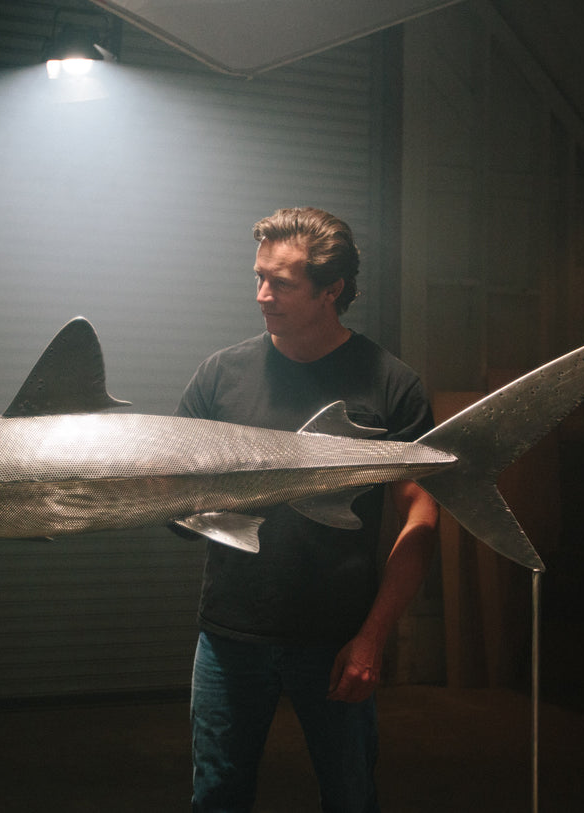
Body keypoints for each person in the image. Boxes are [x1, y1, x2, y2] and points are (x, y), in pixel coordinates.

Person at [176, 207, 439, 812]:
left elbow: (422, 518)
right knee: (216, 795)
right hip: (229, 635)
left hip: (337, 638)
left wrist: (373, 637)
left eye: (283, 283)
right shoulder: (220, 376)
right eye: (258, 276)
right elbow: (177, 497)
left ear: (332, 290)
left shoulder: (390, 384)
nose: (263, 295)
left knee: (350, 797)